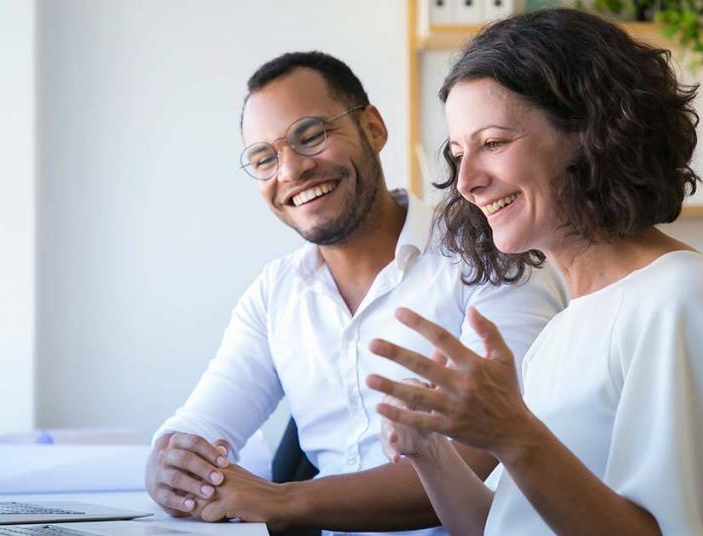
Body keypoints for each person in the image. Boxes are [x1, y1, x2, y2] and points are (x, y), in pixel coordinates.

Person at [365, 9, 703, 536]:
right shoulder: (565, 326)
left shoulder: (681, 300)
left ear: (590, 131)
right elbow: (502, 526)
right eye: (457, 152)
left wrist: (514, 434)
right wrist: (428, 453)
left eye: (492, 143)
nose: (466, 181)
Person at [144, 51, 568, 534]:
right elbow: (201, 425)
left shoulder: (491, 259)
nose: (290, 171)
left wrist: (283, 501)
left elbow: (484, 456)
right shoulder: (275, 293)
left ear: (373, 128)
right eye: (265, 159)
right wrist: (172, 464)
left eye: (310, 136)